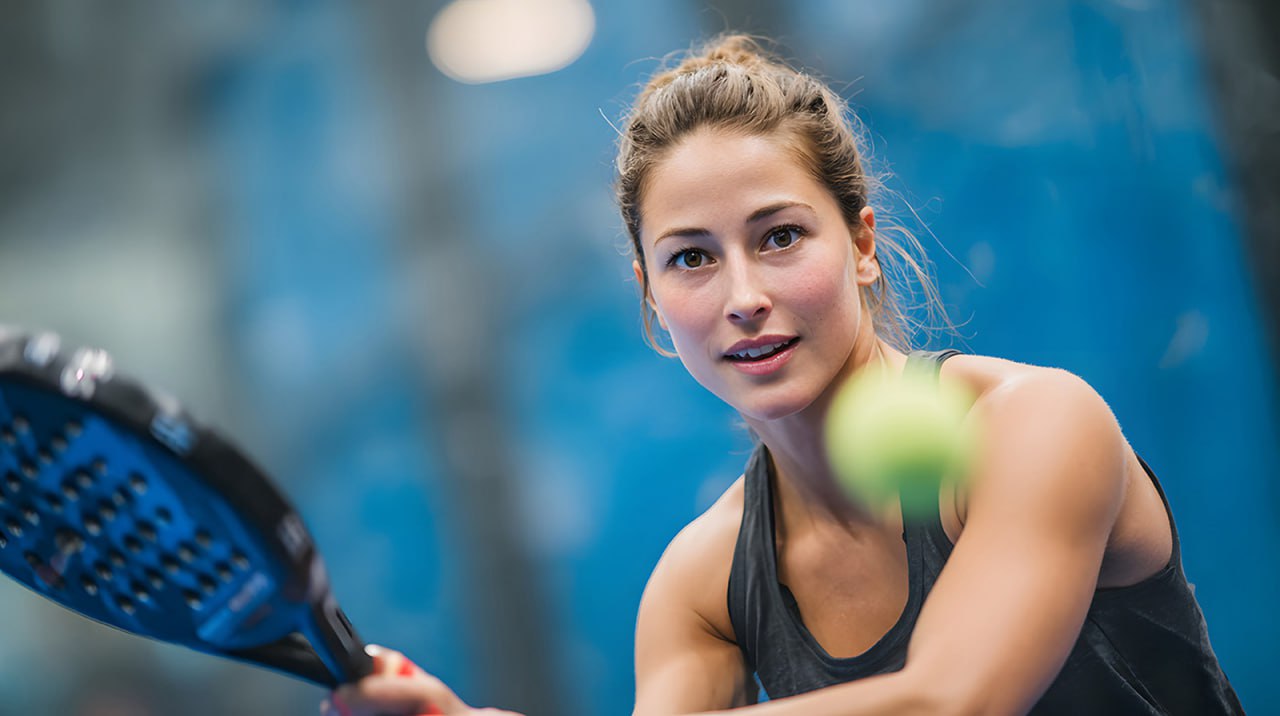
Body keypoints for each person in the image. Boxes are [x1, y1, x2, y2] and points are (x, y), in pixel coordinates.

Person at [326, 35, 1244, 716]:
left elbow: (948, 702)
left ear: (863, 242)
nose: (744, 295)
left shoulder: (1038, 424)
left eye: (779, 236)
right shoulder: (699, 581)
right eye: (691, 258)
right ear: (650, 297)